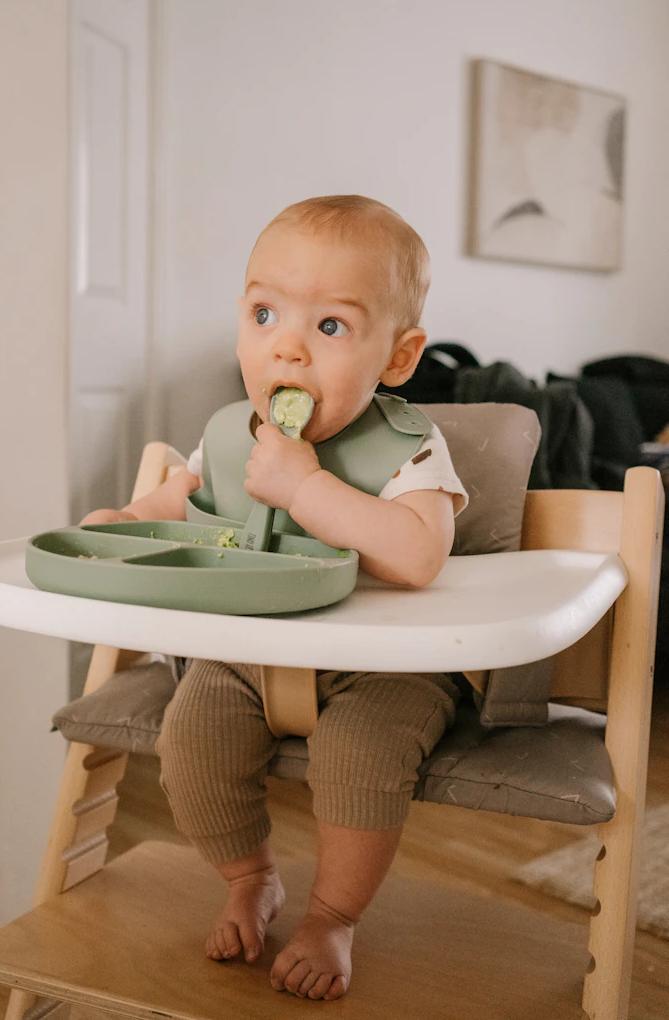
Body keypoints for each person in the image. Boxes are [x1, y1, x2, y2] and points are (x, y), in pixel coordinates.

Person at [82, 195, 468, 1001]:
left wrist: (311, 489)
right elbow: (177, 504)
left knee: (360, 759)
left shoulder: (410, 444)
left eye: (329, 327)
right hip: (247, 655)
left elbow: (418, 554)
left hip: (380, 670)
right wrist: (124, 521)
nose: (286, 349)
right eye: (265, 314)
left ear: (397, 359)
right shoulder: (228, 433)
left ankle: (332, 916)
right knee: (188, 744)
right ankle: (249, 875)